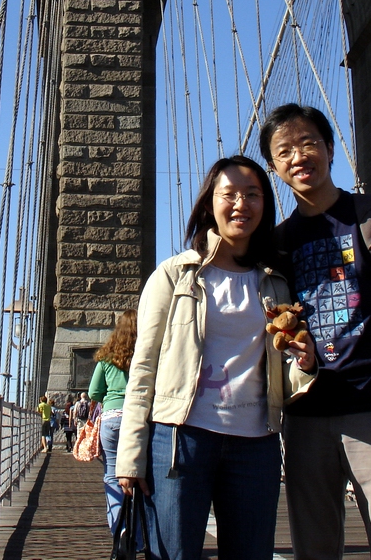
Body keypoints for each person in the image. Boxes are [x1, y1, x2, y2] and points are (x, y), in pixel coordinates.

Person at [115, 156, 316, 560]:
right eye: (230, 194)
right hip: (180, 439)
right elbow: (144, 367)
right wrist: (130, 455)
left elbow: (281, 370)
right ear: (210, 203)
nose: (241, 204)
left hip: (256, 443)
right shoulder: (174, 275)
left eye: (253, 195)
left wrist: (305, 365)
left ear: (265, 204)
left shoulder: (276, 283)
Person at [259, 103, 371, 560]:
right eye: (284, 151)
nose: (298, 156)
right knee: (314, 553)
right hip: (305, 420)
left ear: (331, 149)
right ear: (274, 167)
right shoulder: (275, 245)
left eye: (308, 142)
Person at [89, 309, 138, 533]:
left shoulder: (106, 358)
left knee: (112, 474)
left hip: (111, 419)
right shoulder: (145, 353)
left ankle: (119, 529)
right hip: (138, 418)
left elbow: (94, 392)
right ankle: (138, 535)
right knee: (140, 474)